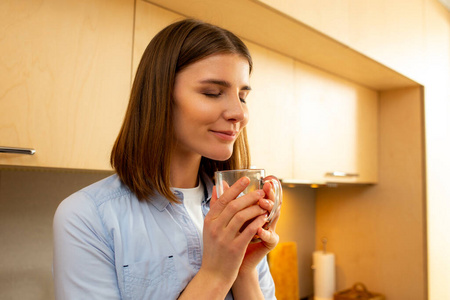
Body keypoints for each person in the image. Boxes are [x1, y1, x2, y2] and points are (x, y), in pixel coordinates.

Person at [53, 19, 280, 299]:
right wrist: (216, 275)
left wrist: (243, 270)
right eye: (212, 93)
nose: (240, 113)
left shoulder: (237, 209)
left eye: (242, 97)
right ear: (159, 96)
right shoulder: (86, 217)